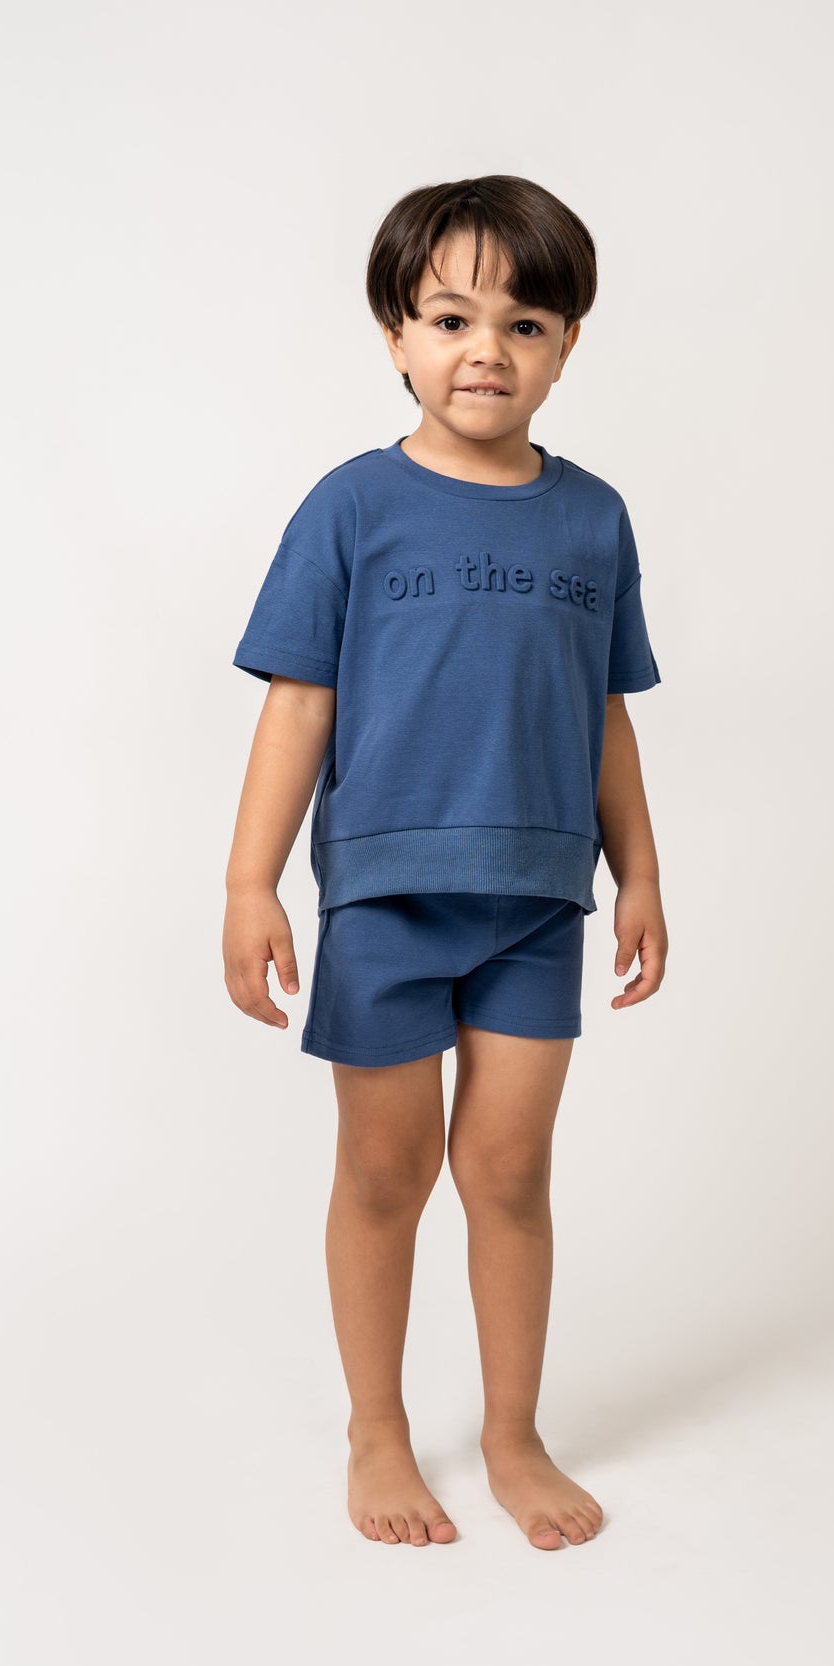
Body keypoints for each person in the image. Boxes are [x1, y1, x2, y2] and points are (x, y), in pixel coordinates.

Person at [222, 174, 668, 1551]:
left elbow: (604, 713)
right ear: (397, 337)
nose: (488, 350)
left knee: (510, 1172)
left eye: (525, 324)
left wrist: (641, 873)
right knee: (384, 1172)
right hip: (385, 898)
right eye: (453, 318)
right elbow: (299, 702)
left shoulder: (592, 519)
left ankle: (512, 1432)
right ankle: (376, 1427)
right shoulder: (352, 508)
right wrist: (249, 884)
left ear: (567, 345)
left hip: (537, 902)